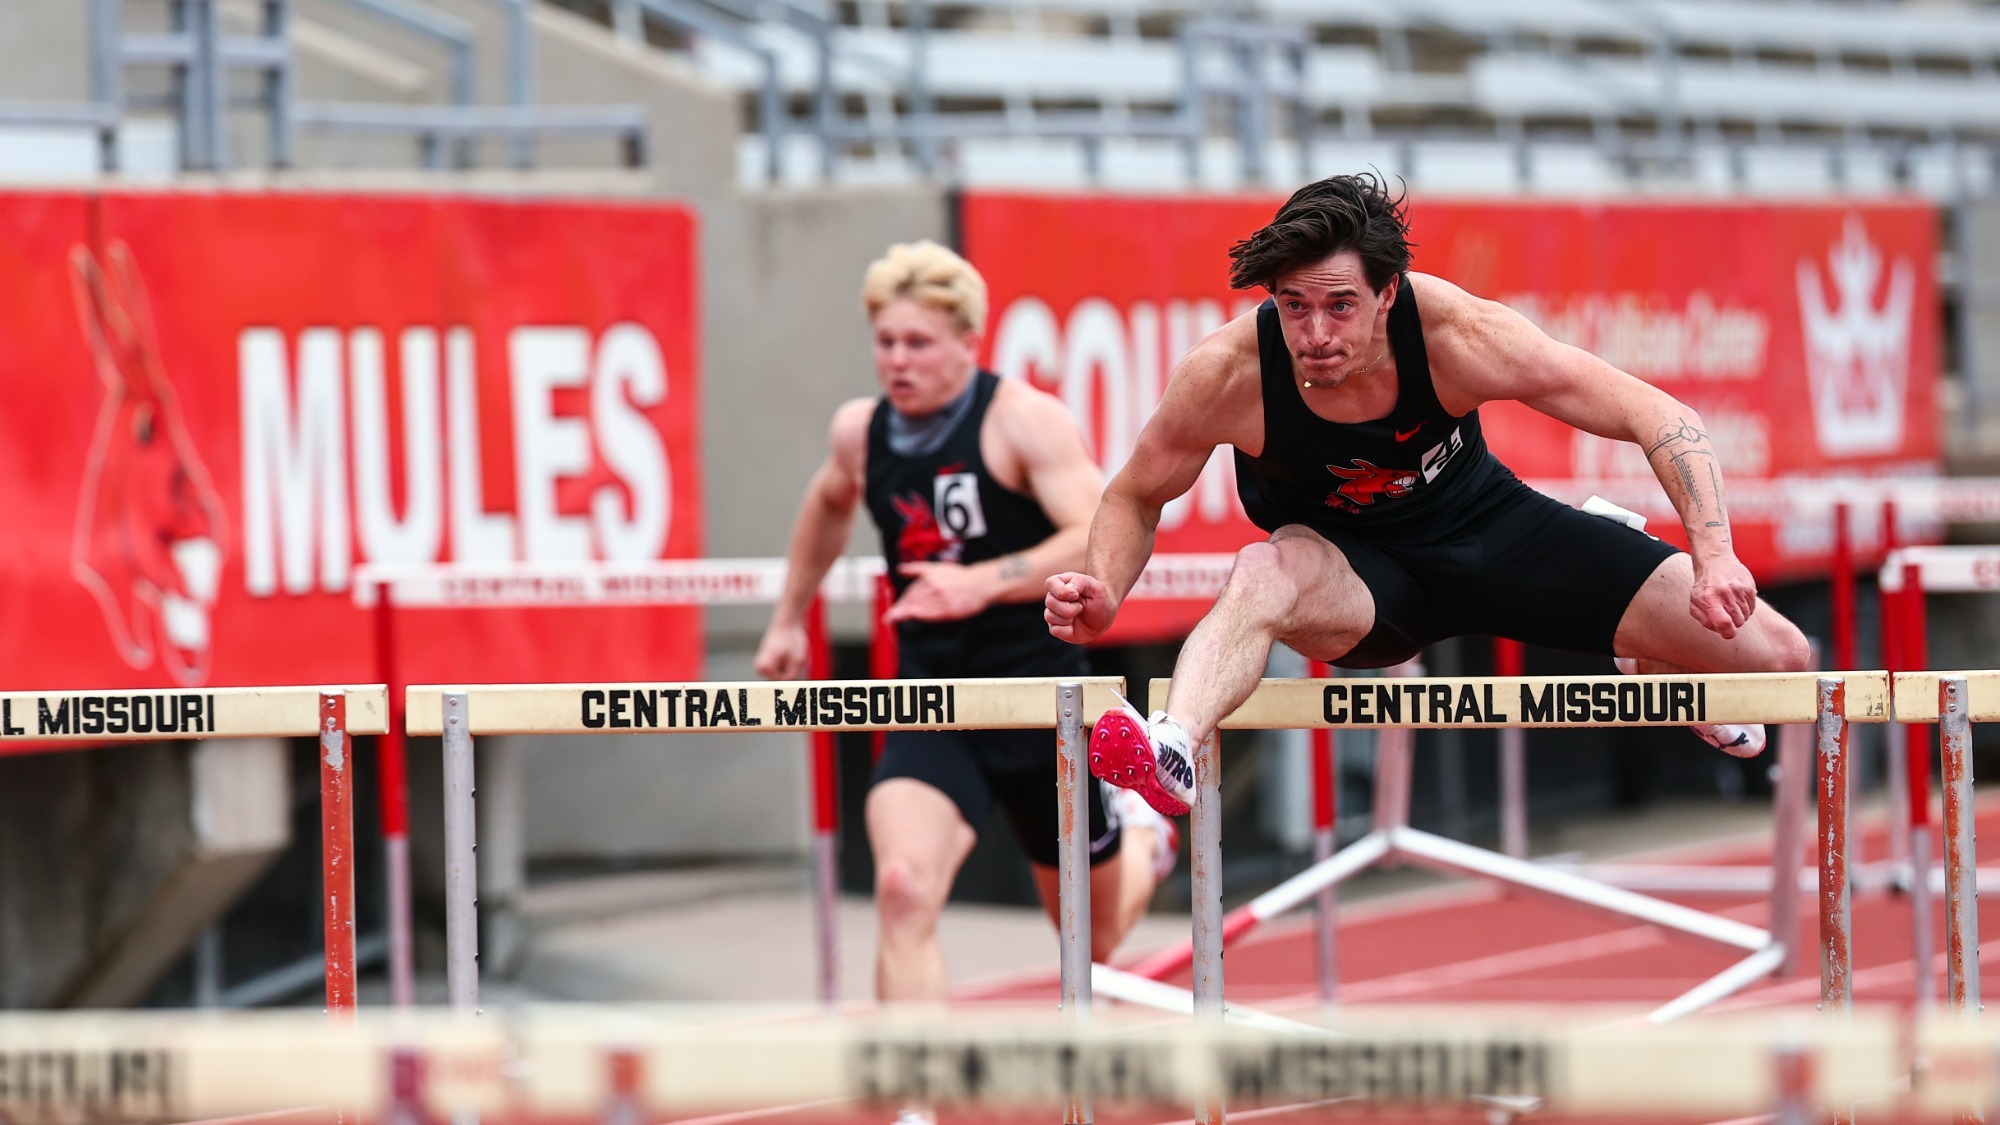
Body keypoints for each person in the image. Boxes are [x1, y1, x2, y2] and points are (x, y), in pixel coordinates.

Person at [1042, 175, 1812, 817]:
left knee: (1782, 658)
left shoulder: (1454, 333)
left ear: (1388, 295)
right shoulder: (1230, 375)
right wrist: (1107, 588)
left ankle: (1647, 659)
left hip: (1496, 535)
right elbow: (1136, 494)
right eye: (1292, 305)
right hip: (1359, 580)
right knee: (1260, 569)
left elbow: (1661, 417)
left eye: (1340, 304)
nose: (1313, 333)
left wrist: (1715, 557)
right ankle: (1176, 745)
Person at [755, 240, 1174, 1009]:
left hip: (1039, 700)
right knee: (902, 887)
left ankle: (1146, 836)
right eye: (885, 342)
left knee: (1095, 938)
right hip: (932, 699)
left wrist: (978, 583)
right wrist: (787, 618)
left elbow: (1096, 530)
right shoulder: (861, 432)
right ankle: (922, 1101)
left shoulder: (1023, 421)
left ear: (966, 344)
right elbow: (826, 506)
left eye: (918, 343)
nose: (898, 361)